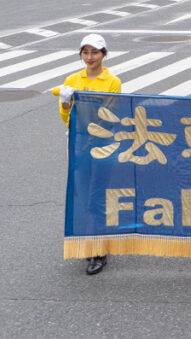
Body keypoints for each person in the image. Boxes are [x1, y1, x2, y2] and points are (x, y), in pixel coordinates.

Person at [57, 34, 122, 275]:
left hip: (103, 145)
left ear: (104, 54)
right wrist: (66, 105)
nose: (90, 57)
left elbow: (109, 115)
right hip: (78, 145)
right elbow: (66, 120)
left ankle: (100, 250)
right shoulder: (72, 80)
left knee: (98, 195)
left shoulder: (112, 82)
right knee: (82, 195)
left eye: (95, 52)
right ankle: (88, 242)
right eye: (85, 52)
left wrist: (86, 105)